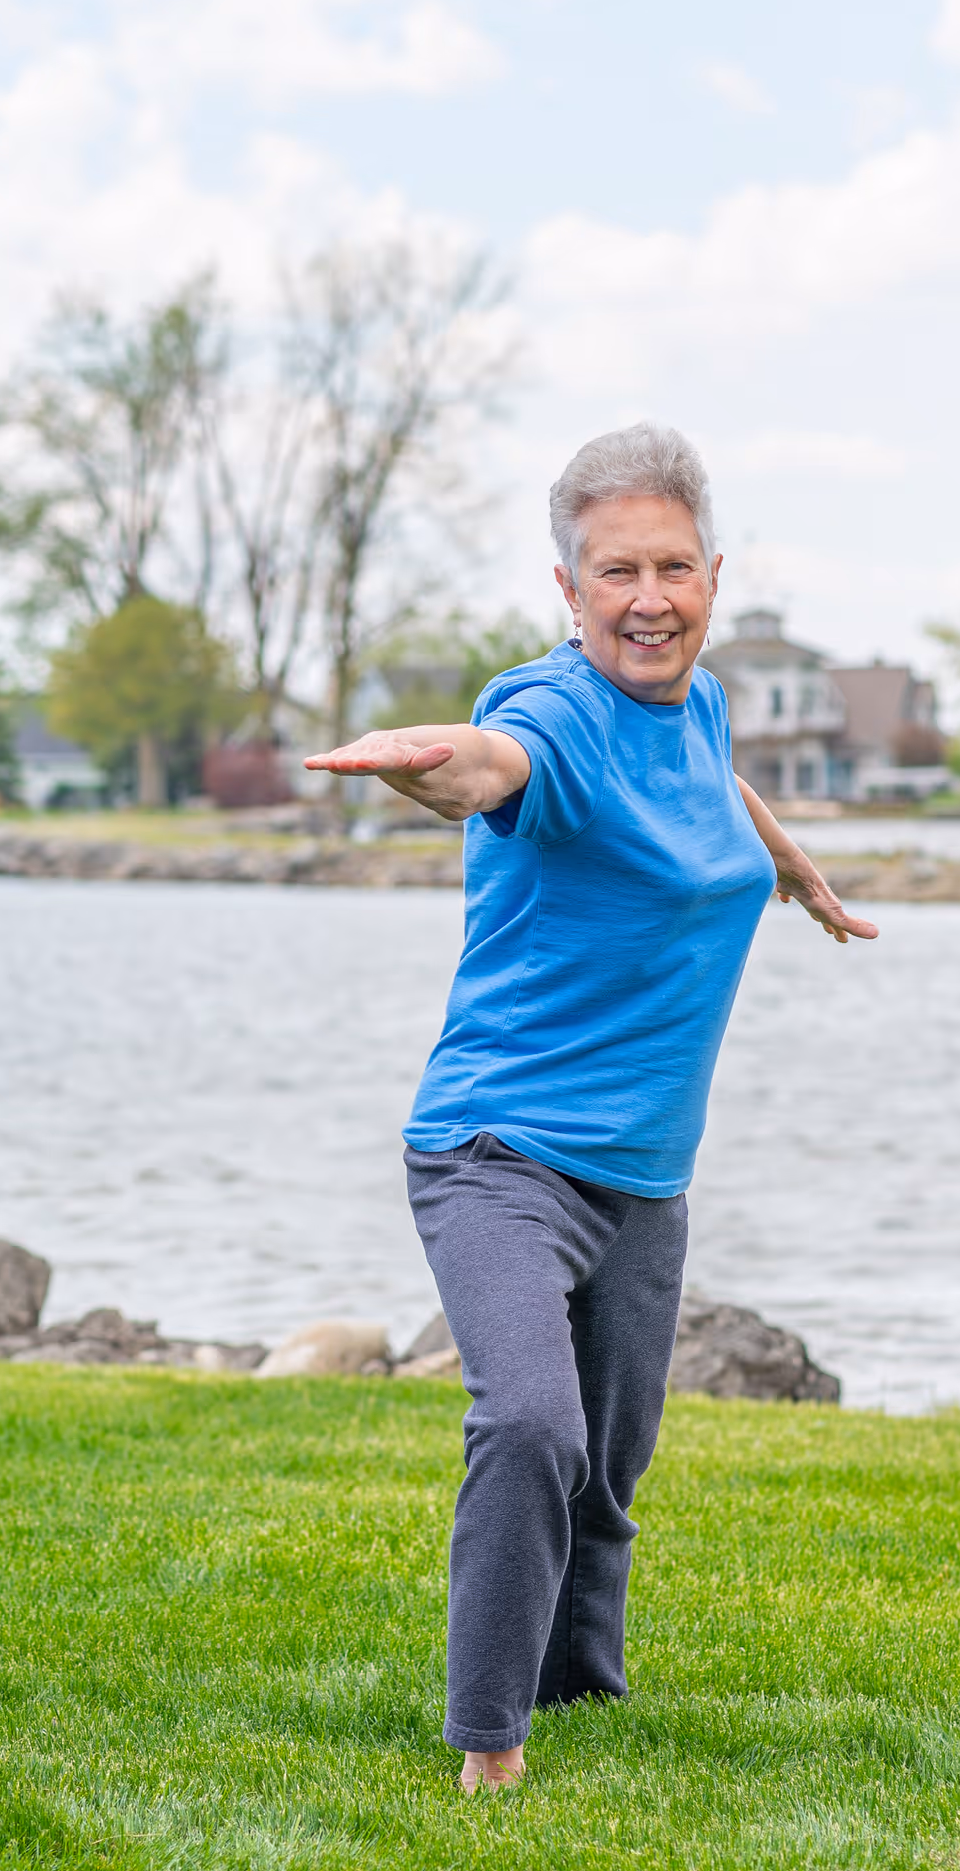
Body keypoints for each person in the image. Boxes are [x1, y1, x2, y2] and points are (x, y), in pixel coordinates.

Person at [306, 421, 875, 1794]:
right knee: (531, 1429)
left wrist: (796, 873)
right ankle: (489, 1744)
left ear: (713, 576)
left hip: (645, 1171)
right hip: (498, 1151)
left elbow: (713, 775)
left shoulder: (704, 701)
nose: (646, 597)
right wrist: (431, 763)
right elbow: (494, 764)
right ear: (568, 591)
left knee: (610, 1467)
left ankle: (586, 1691)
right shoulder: (547, 713)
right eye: (614, 571)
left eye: (672, 566)